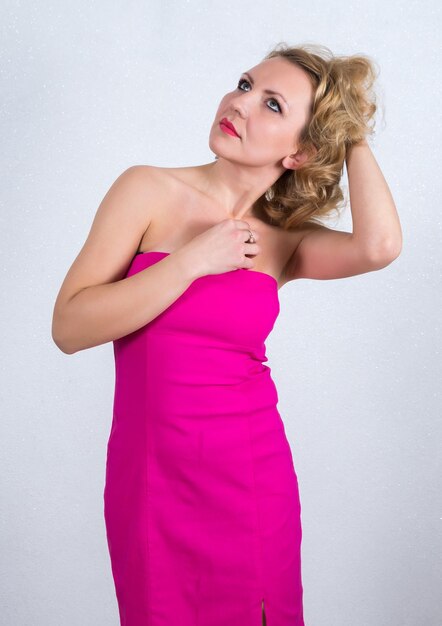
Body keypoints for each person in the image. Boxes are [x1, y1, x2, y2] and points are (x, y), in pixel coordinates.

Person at [52, 42, 402, 626]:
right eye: (243, 85)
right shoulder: (147, 189)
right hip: (153, 479)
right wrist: (189, 261)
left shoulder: (283, 239)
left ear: (302, 150)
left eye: (271, 104)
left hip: (251, 476)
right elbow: (70, 326)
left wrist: (350, 125)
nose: (239, 105)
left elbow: (379, 246)